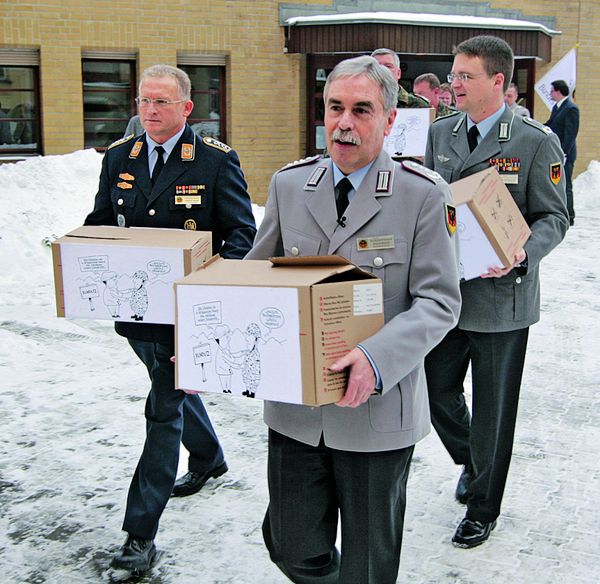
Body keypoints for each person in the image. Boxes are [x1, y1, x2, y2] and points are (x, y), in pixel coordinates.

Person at [247, 55, 461, 584]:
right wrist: (208, 339)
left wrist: (374, 357)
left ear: (389, 121)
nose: (344, 122)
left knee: (368, 566)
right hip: (297, 413)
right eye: (334, 108)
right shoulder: (290, 185)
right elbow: (255, 279)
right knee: (291, 545)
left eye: (361, 110)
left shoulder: (422, 194)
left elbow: (440, 301)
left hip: (376, 416)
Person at [84, 64, 256, 573]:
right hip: (137, 312)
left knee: (162, 410)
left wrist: (213, 301)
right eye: (143, 101)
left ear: (186, 109)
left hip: (187, 314)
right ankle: (208, 458)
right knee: (173, 386)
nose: (150, 111)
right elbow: (100, 223)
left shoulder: (214, 161)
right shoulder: (120, 157)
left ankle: (140, 534)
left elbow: (240, 236)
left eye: (161, 102)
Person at [424, 35, 569, 549]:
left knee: (493, 410)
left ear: (498, 83)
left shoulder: (534, 141)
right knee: (436, 391)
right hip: (445, 295)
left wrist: (523, 250)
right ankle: (472, 460)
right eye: (453, 74)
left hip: (501, 300)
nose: (453, 84)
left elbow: (555, 215)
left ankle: (483, 506)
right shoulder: (439, 134)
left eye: (465, 76)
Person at [545, 79, 580, 225]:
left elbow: (571, 134)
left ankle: (570, 215)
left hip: (566, 154)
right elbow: (550, 125)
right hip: (557, 151)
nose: (550, 93)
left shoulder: (571, 108)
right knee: (557, 183)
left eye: (552, 90)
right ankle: (561, 212)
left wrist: (564, 153)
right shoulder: (557, 107)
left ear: (558, 91)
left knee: (566, 185)